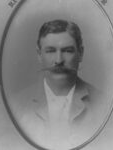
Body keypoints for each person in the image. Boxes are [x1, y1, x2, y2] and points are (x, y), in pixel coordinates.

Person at [10, 20, 105, 150]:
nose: (59, 60)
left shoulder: (103, 104)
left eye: (67, 50)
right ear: (39, 54)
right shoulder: (16, 105)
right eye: (50, 51)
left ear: (81, 53)